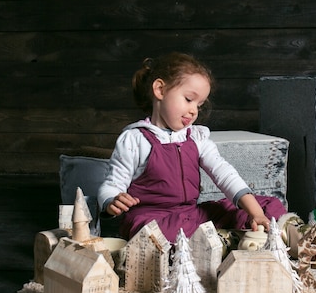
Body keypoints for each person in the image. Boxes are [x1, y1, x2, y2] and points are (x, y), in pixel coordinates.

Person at [97, 52, 287, 242]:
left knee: (268, 205)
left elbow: (224, 173)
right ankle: (218, 240)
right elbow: (111, 185)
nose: (194, 110)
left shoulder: (196, 138)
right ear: (160, 90)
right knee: (157, 234)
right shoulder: (135, 139)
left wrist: (255, 213)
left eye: (200, 105)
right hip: (152, 218)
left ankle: (250, 231)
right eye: (188, 99)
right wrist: (111, 201)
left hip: (191, 214)